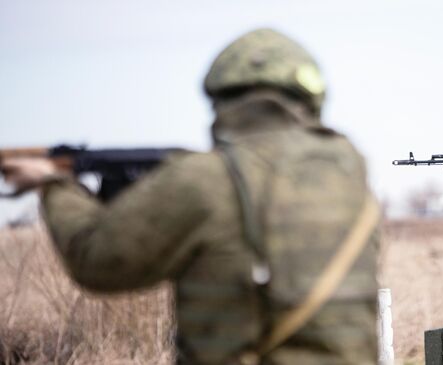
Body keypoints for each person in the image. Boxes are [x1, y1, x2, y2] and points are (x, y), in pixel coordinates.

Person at [2, 28, 379, 365]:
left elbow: (98, 262)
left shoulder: (205, 180)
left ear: (222, 98)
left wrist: (54, 185)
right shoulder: (350, 175)